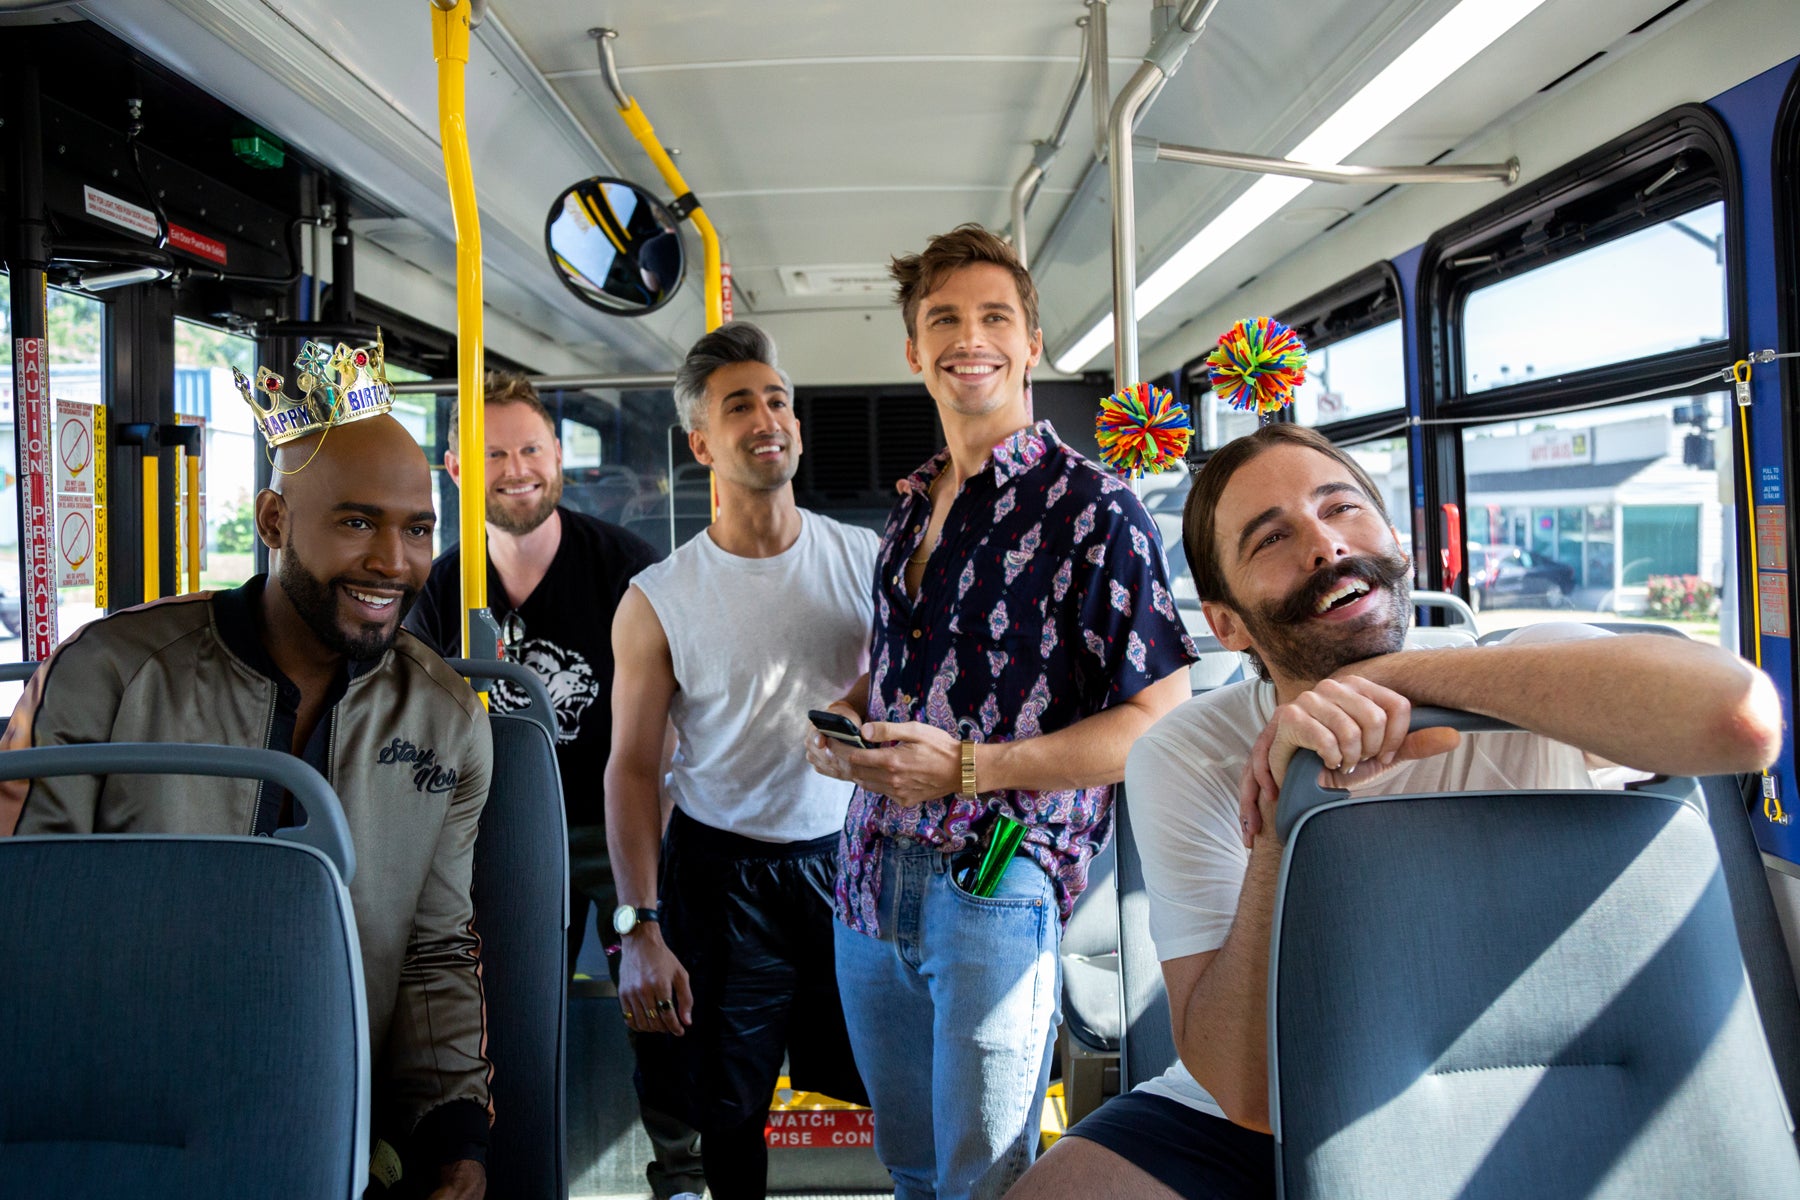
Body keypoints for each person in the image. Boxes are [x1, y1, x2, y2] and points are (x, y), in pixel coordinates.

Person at [1008, 422, 1783, 1200]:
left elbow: (1741, 720)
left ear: (1397, 545)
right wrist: (1283, 825)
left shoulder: (1533, 678)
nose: (1324, 545)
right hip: (1267, 1106)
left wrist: (1402, 681)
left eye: (1342, 508)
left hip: (1534, 1070)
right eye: (1271, 538)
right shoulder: (1189, 754)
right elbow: (1242, 1086)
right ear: (1228, 624)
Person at [1, 372, 495, 1200]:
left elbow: (432, 948)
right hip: (116, 1112)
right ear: (274, 522)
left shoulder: (444, 718)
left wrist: (454, 1135)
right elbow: (34, 926)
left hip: (335, 1109)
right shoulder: (114, 674)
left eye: (417, 530)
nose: (392, 562)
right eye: (355, 521)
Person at [806, 224, 1196, 1199]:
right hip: (863, 877)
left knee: (983, 1182)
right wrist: (851, 715)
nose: (967, 337)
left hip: (994, 883)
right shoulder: (910, 505)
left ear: (1030, 345)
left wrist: (969, 769)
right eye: (944, 318)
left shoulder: (1094, 510)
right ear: (912, 348)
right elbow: (901, 665)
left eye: (994, 317)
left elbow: (1156, 719)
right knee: (907, 1171)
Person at [402, 372, 701, 1199]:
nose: (516, 468)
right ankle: (492, 1171)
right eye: (494, 453)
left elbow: (672, 726)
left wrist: (660, 856)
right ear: (460, 468)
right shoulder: (442, 587)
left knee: (660, 1009)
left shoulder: (627, 572)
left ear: (560, 457)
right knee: (493, 1015)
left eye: (531, 448)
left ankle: (682, 1174)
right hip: (496, 829)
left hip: (615, 826)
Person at [606, 320, 877, 1200]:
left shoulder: (864, 560)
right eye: (740, 406)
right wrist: (639, 926)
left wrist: (860, 703)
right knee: (729, 1113)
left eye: (778, 400)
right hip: (722, 877)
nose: (768, 417)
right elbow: (633, 770)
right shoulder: (659, 598)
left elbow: (914, 682)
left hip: (852, 860)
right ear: (701, 443)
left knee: (889, 1079)